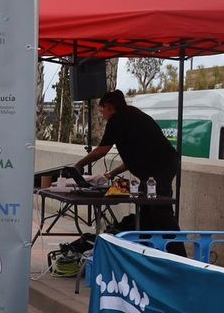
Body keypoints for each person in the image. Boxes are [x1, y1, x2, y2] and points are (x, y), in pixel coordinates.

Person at [72, 89, 181, 232]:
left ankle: (177, 252)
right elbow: (136, 156)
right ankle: (147, 247)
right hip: (163, 164)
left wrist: (78, 165)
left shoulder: (117, 120)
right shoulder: (132, 115)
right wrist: (112, 173)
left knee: (161, 210)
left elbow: (102, 150)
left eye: (102, 110)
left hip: (160, 168)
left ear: (109, 106)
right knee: (147, 212)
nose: (102, 115)